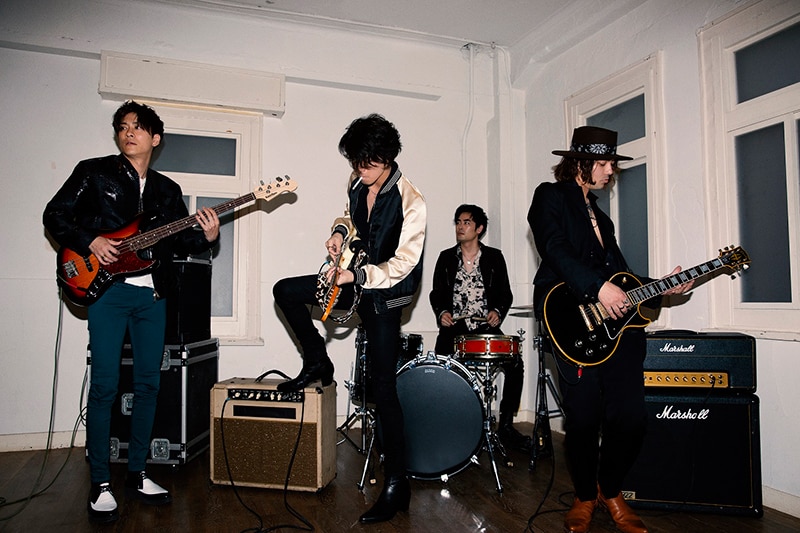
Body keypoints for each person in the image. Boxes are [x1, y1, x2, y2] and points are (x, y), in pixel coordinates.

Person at [43, 101, 220, 523]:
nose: (129, 132)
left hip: (152, 296)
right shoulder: (93, 173)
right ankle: (101, 482)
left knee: (148, 385)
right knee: (104, 386)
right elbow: (55, 215)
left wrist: (209, 237)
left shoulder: (167, 190)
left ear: (155, 138)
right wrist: (90, 241)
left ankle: (138, 473)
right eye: (122, 126)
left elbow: (180, 243)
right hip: (107, 292)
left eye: (138, 127)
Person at [527, 126, 693, 533]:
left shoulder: (602, 218)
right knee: (583, 419)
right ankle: (585, 496)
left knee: (632, 417)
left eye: (611, 164)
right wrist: (596, 287)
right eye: (603, 163)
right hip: (570, 319)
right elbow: (554, 248)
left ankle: (611, 489)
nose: (609, 172)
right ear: (580, 163)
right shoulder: (550, 196)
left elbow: (621, 278)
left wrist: (663, 287)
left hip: (616, 332)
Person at [272, 114, 426, 524]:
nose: (360, 170)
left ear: (387, 157)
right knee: (285, 291)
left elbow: (405, 265)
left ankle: (397, 483)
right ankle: (317, 362)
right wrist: (340, 234)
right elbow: (350, 217)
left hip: (386, 293)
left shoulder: (412, 201)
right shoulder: (357, 182)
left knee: (382, 388)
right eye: (355, 162)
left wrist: (356, 276)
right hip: (353, 276)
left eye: (367, 162)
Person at [429, 204, 531, 452]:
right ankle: (447, 423)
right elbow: (436, 293)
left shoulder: (494, 257)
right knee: (439, 368)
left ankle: (505, 425)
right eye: (458, 222)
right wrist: (442, 312)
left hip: (484, 327)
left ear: (479, 228)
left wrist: (497, 311)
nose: (460, 227)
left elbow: (505, 293)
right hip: (454, 328)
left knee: (515, 363)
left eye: (466, 222)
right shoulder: (445, 258)